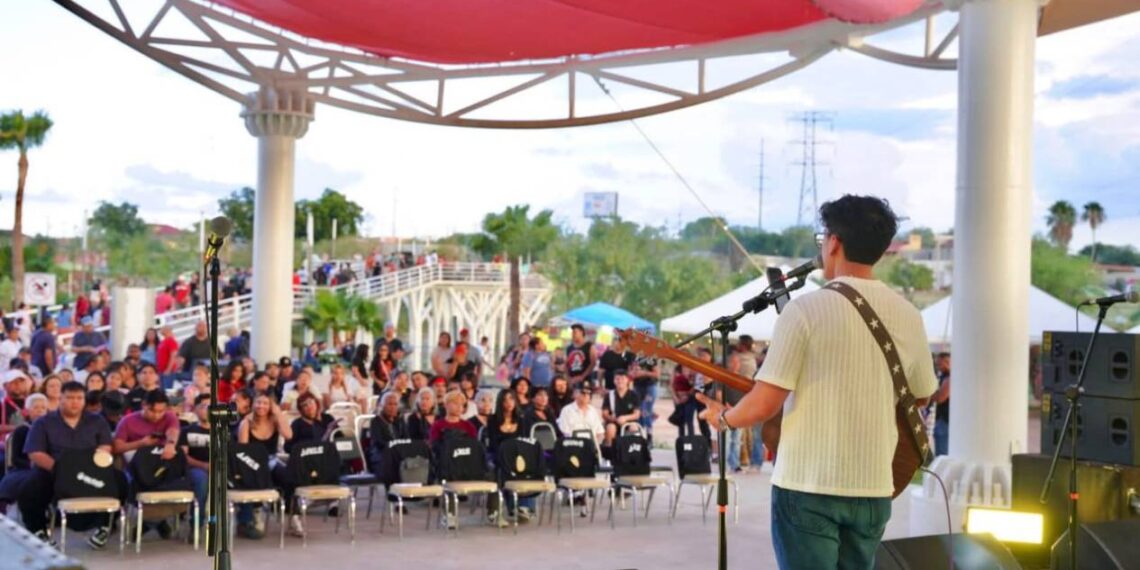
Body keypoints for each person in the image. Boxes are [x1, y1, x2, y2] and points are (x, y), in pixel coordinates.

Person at [697, 195, 939, 569]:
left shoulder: (804, 310)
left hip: (808, 486)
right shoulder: (909, 314)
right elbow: (922, 394)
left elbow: (764, 404)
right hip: (873, 488)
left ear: (834, 242)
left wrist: (724, 419)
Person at [17, 381, 125, 547]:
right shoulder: (43, 422)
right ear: (60, 399)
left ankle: (105, 526)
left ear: (84, 400)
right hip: (54, 469)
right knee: (30, 487)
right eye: (69, 397)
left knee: (120, 480)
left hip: (90, 468)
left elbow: (105, 447)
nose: (75, 402)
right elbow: (35, 453)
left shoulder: (97, 421)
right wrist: (62, 470)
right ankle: (38, 531)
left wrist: (94, 465)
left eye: (79, 398)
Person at [237, 393, 297, 537]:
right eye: (258, 403)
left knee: (289, 478)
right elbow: (243, 451)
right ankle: (256, 512)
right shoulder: (246, 423)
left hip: (271, 460)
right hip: (252, 462)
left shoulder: (275, 421)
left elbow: (289, 435)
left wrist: (279, 413)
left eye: (265, 403)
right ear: (253, 404)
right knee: (259, 478)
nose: (261, 406)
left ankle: (293, 515)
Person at [0, 393, 48, 505]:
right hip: (25, 468)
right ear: (27, 411)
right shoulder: (22, 430)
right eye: (36, 407)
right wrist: (33, 465)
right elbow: (15, 459)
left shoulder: (53, 429)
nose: (40, 410)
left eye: (43, 407)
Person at [723, 335, 759, 473]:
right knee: (731, 439)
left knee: (736, 439)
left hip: (741, 404)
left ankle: (735, 463)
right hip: (735, 405)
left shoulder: (746, 360)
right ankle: (731, 463)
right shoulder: (751, 360)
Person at [178, 394, 211, 518]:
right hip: (194, 469)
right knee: (201, 479)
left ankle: (246, 521)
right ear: (195, 409)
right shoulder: (186, 431)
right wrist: (204, 465)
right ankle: (197, 523)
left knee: (242, 477)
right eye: (203, 406)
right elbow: (183, 456)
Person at [367, 391, 409, 478]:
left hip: (398, 454)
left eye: (395, 404)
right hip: (381, 455)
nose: (393, 407)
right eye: (390, 404)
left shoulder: (400, 421)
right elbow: (378, 442)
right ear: (382, 406)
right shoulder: (376, 421)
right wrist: (394, 448)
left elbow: (406, 439)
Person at [601, 371, 641, 456]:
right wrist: (613, 418)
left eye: (622, 378)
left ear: (627, 380)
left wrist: (625, 418)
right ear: (614, 381)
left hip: (629, 422)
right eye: (617, 379)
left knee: (633, 428)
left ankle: (632, 455)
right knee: (610, 428)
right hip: (613, 422)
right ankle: (610, 455)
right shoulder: (609, 395)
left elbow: (636, 414)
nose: (620, 381)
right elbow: (604, 414)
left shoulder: (634, 395)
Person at [632, 353, 659, 445]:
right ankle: (639, 435)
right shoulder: (633, 357)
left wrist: (644, 373)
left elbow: (657, 374)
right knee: (638, 411)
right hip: (637, 386)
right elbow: (631, 372)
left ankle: (649, 436)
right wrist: (634, 373)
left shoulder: (650, 358)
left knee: (647, 410)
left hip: (649, 386)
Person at [932, 352, 951, 456]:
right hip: (943, 420)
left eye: (940, 364)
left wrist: (929, 395)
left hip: (944, 421)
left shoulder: (950, 378)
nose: (938, 367)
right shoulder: (944, 377)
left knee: (942, 455)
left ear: (947, 362)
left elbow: (941, 398)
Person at [564, 324, 595, 389]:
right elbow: (566, 364)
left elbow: (592, 363)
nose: (573, 334)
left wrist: (582, 376)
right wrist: (568, 378)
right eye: (572, 333)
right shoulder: (569, 348)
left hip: (585, 381)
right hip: (572, 381)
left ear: (581, 332)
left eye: (575, 332)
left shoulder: (589, 346)